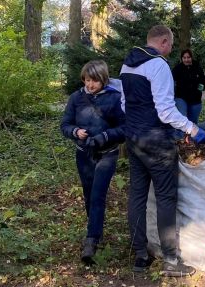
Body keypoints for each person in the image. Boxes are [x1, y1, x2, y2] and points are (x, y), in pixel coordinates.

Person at [120, 25, 205, 276]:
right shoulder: (159, 65)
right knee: (166, 197)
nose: (171, 50)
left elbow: (125, 104)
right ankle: (171, 261)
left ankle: (140, 255)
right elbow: (166, 111)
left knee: (137, 195)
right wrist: (192, 129)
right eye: (170, 44)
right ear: (164, 42)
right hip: (157, 142)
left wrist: (137, 127)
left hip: (134, 140)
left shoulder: (127, 65)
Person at [60, 60, 126, 264]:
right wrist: (74, 132)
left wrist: (105, 136)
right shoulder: (76, 98)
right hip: (84, 153)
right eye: (87, 80)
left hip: (107, 154)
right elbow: (65, 124)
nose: (90, 85)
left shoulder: (114, 99)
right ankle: (95, 228)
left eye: (95, 81)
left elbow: (125, 128)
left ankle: (91, 240)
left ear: (104, 80)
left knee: (98, 195)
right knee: (88, 195)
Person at [172, 49, 205, 123]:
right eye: (184, 58)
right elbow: (170, 81)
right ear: (181, 58)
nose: (186, 60)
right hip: (181, 98)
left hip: (195, 99)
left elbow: (204, 81)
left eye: (188, 57)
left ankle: (188, 135)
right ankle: (182, 134)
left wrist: (200, 88)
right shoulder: (177, 68)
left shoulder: (197, 67)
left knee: (193, 123)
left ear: (191, 57)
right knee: (183, 119)